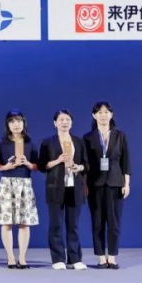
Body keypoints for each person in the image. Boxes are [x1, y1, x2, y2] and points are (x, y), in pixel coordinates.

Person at [38, 110, 88, 271]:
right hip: (55, 187)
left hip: (75, 186)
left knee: (73, 225)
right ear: (55, 123)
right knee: (56, 224)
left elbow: (87, 164)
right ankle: (58, 258)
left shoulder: (79, 141)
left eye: (67, 119)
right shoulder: (48, 142)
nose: (64, 122)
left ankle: (75, 258)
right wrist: (58, 160)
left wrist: (78, 167)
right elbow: (42, 165)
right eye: (61, 120)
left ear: (71, 123)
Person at [83, 101, 131, 269]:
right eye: (100, 112)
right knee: (97, 222)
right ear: (94, 116)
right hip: (94, 184)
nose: (103, 115)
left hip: (115, 183)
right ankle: (101, 257)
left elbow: (126, 161)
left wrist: (127, 183)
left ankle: (112, 256)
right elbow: (86, 163)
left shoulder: (120, 136)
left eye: (106, 112)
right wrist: (84, 184)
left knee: (114, 222)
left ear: (111, 114)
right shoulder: (88, 137)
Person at [0, 109, 39, 269]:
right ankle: (10, 257)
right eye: (12, 121)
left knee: (24, 223)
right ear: (7, 125)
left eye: (19, 121)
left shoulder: (30, 143)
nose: (16, 124)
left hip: (25, 184)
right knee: (7, 223)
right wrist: (5, 166)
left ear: (24, 123)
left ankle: (23, 257)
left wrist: (27, 163)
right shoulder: (1, 143)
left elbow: (36, 166)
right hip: (7, 184)